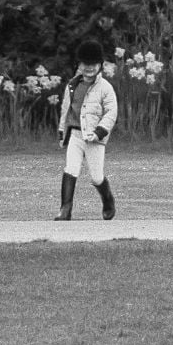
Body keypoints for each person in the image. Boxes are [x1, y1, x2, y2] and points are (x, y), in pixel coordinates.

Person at [54, 39, 118, 221]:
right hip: (75, 134)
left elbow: (111, 112)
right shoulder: (72, 85)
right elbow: (65, 110)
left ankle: (107, 199)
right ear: (79, 64)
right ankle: (65, 209)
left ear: (100, 65)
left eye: (93, 64)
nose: (89, 68)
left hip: (94, 137)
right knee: (70, 169)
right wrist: (62, 132)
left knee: (96, 177)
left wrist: (99, 131)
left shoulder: (105, 88)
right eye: (85, 64)